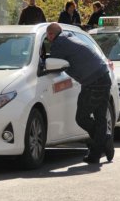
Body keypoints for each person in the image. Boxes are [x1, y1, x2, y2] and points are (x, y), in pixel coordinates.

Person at [46, 23, 114, 164]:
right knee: (100, 117)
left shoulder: (59, 43)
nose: (48, 38)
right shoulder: (70, 36)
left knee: (82, 117)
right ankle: (97, 152)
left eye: (48, 35)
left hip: (92, 81)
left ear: (51, 34)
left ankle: (104, 141)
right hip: (104, 75)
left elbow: (50, 62)